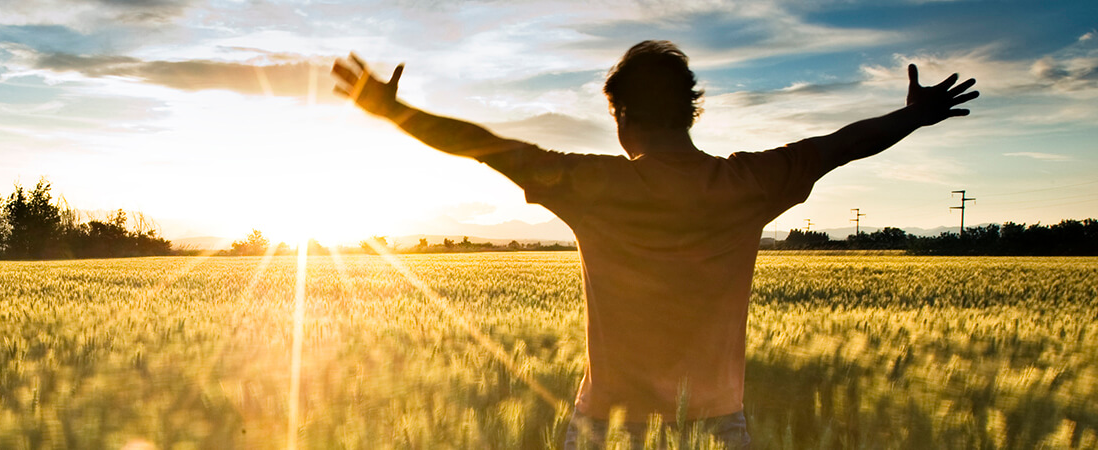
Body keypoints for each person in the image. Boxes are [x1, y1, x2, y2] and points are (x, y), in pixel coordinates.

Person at [331, 40, 978, 449]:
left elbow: (486, 147)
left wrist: (394, 112)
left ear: (620, 116)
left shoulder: (592, 184)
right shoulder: (750, 182)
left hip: (605, 425)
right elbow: (840, 145)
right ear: (691, 112)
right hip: (720, 428)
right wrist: (913, 116)